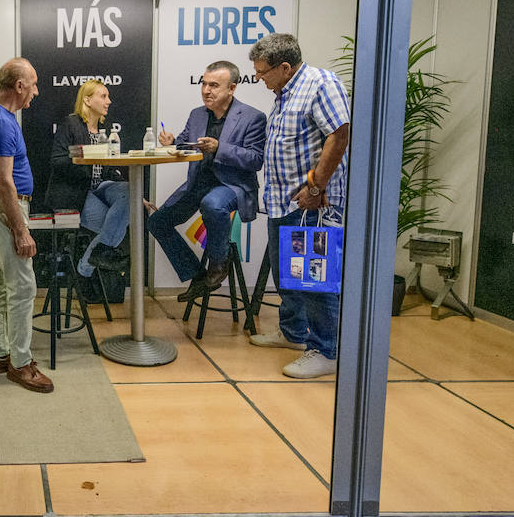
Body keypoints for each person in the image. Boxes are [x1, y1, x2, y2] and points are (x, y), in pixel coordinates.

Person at [247, 32, 350, 379]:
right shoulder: (284, 94)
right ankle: (293, 334)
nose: (259, 79)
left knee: (314, 280)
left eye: (263, 73)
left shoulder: (320, 84)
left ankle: (325, 350)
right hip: (282, 202)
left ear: (285, 67)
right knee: (288, 277)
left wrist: (316, 185)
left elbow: (339, 134)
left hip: (313, 203)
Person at [148, 60, 266, 302]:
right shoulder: (197, 114)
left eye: (214, 85)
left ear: (232, 88)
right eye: (204, 84)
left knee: (213, 204)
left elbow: (255, 159)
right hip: (198, 184)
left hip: (232, 187)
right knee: (157, 222)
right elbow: (185, 143)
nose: (206, 90)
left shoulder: (253, 117)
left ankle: (219, 264)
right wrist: (172, 142)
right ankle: (197, 275)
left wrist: (220, 148)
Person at [0, 58, 52, 393]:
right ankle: (20, 363)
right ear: (19, 86)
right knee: (22, 287)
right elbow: (5, 182)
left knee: (0, 283)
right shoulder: (3, 123)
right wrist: (20, 229)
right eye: (32, 84)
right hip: (4, 208)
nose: (36, 91)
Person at [47, 79, 129, 279]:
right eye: (103, 96)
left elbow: (105, 168)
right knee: (116, 226)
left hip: (100, 188)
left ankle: (88, 263)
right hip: (78, 192)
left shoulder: (105, 128)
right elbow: (56, 161)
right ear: (87, 100)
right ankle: (86, 267)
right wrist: (84, 156)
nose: (108, 101)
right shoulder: (71, 124)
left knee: (131, 192)